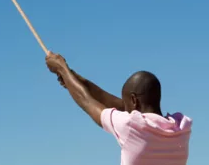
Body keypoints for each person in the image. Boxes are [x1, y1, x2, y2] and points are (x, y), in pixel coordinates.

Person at [45, 52, 193, 165]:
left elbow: (87, 102)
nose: (125, 110)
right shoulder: (181, 128)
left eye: (127, 103)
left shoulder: (132, 126)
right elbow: (116, 104)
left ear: (134, 100)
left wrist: (61, 68)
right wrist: (72, 77)